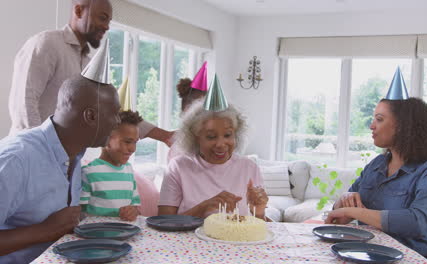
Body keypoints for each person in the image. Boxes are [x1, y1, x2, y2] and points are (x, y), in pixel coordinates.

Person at [8, 0, 173, 146]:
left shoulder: (88, 64)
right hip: (29, 153)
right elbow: (23, 101)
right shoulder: (48, 44)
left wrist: (165, 136)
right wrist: (39, 149)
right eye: (102, 18)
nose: (107, 26)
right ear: (79, 11)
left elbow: (113, 112)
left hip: (61, 159)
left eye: (109, 21)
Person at [0, 74, 121, 264]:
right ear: (90, 116)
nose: (117, 122)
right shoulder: (15, 161)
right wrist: (43, 231)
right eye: (115, 113)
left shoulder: (75, 155)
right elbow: (51, 229)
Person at [325, 97, 427, 263]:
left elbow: (420, 222)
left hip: (410, 258)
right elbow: (344, 208)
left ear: (404, 127)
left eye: (379, 119)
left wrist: (354, 212)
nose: (371, 126)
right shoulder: (377, 163)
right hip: (366, 254)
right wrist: (344, 200)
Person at [158, 75, 268, 219]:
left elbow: (259, 224)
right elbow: (164, 221)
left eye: (228, 135)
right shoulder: (178, 167)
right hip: (189, 241)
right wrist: (204, 207)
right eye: (211, 137)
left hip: (237, 241)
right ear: (196, 137)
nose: (221, 144)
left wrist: (258, 210)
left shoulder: (249, 167)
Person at [80, 110, 142, 221]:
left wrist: (133, 211)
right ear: (106, 139)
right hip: (99, 235)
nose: (133, 149)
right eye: (127, 142)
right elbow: (79, 213)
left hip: (125, 233)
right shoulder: (89, 172)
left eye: (135, 142)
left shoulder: (129, 170)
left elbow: (135, 207)